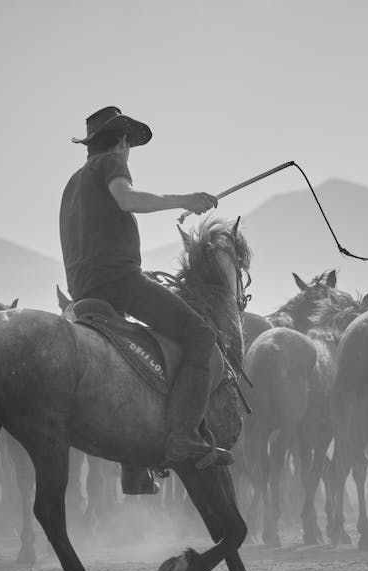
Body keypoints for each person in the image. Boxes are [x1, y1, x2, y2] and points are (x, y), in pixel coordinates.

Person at [60, 106, 233, 493]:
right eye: (127, 144)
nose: (127, 151)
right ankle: (184, 434)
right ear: (121, 141)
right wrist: (185, 199)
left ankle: (135, 466)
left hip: (83, 291)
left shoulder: (73, 183)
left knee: (130, 355)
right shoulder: (110, 164)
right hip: (119, 281)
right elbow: (126, 199)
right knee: (199, 336)